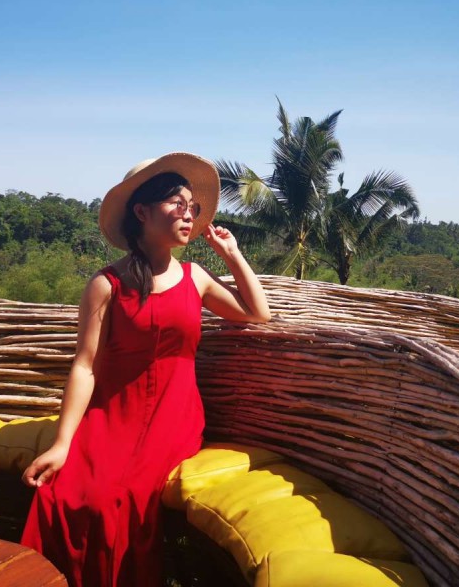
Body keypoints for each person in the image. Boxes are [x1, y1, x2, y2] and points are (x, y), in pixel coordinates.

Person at [20, 152, 271, 587]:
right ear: (141, 212)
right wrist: (62, 443)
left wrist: (232, 255)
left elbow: (257, 313)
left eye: (192, 206)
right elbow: (85, 367)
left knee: (120, 498)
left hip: (174, 418)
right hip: (111, 416)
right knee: (62, 494)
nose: (188, 214)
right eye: (177, 203)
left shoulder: (195, 278)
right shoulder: (107, 284)